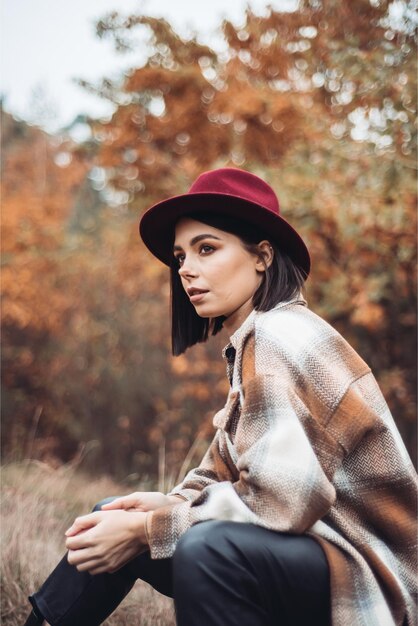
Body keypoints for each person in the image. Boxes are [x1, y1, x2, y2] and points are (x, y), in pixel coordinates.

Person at [24, 168, 417, 626]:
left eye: (207, 249)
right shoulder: (253, 342)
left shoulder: (280, 336)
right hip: (317, 563)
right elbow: (222, 473)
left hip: (373, 583)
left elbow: (281, 502)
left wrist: (150, 529)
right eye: (180, 256)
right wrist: (162, 505)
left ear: (262, 257)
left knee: (205, 549)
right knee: (113, 517)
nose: (186, 269)